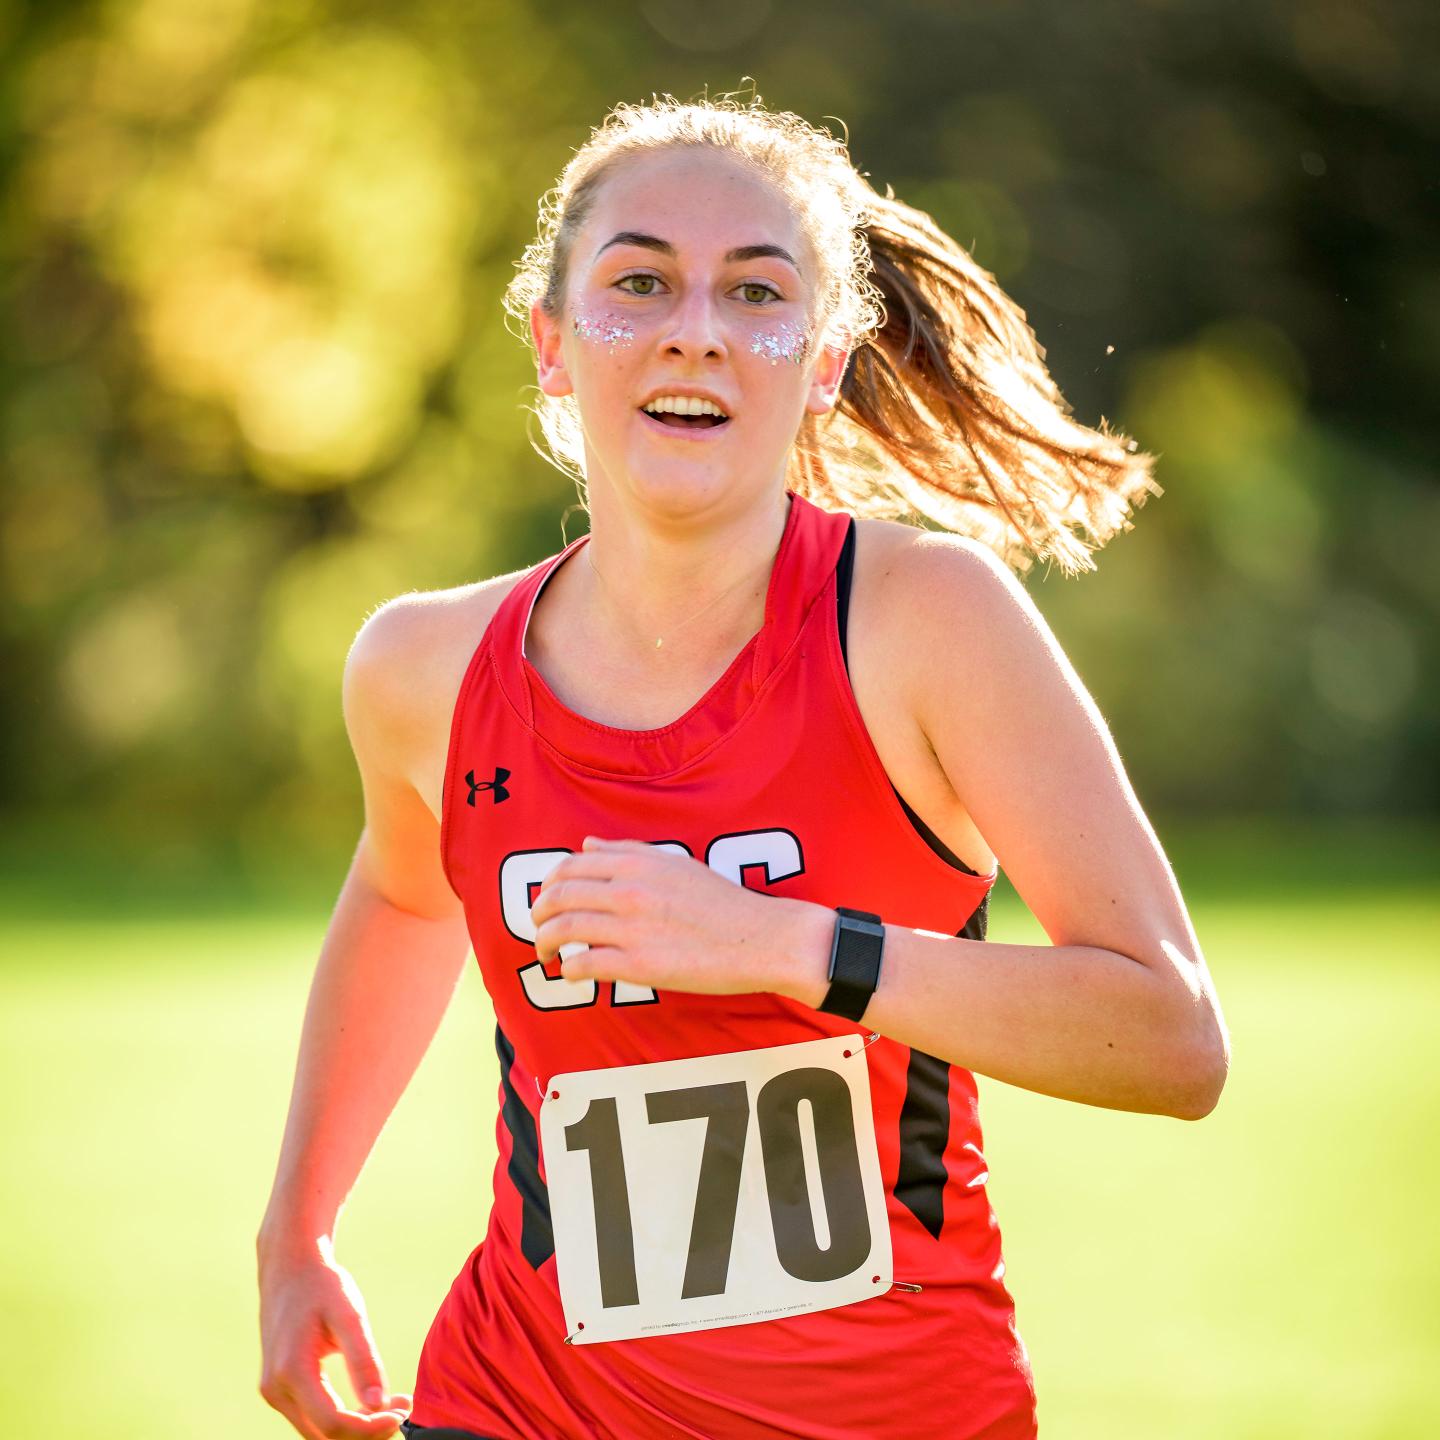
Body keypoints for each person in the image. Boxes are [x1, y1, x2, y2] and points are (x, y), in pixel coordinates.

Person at [256, 89, 1230, 1440]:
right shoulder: (422, 666)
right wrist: (297, 1230)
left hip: (890, 1411)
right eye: (637, 282)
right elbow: (409, 898)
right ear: (551, 344)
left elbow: (1173, 1043)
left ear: (825, 358)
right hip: (519, 1397)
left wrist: (789, 944)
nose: (694, 331)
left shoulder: (925, 622)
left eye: (756, 294)